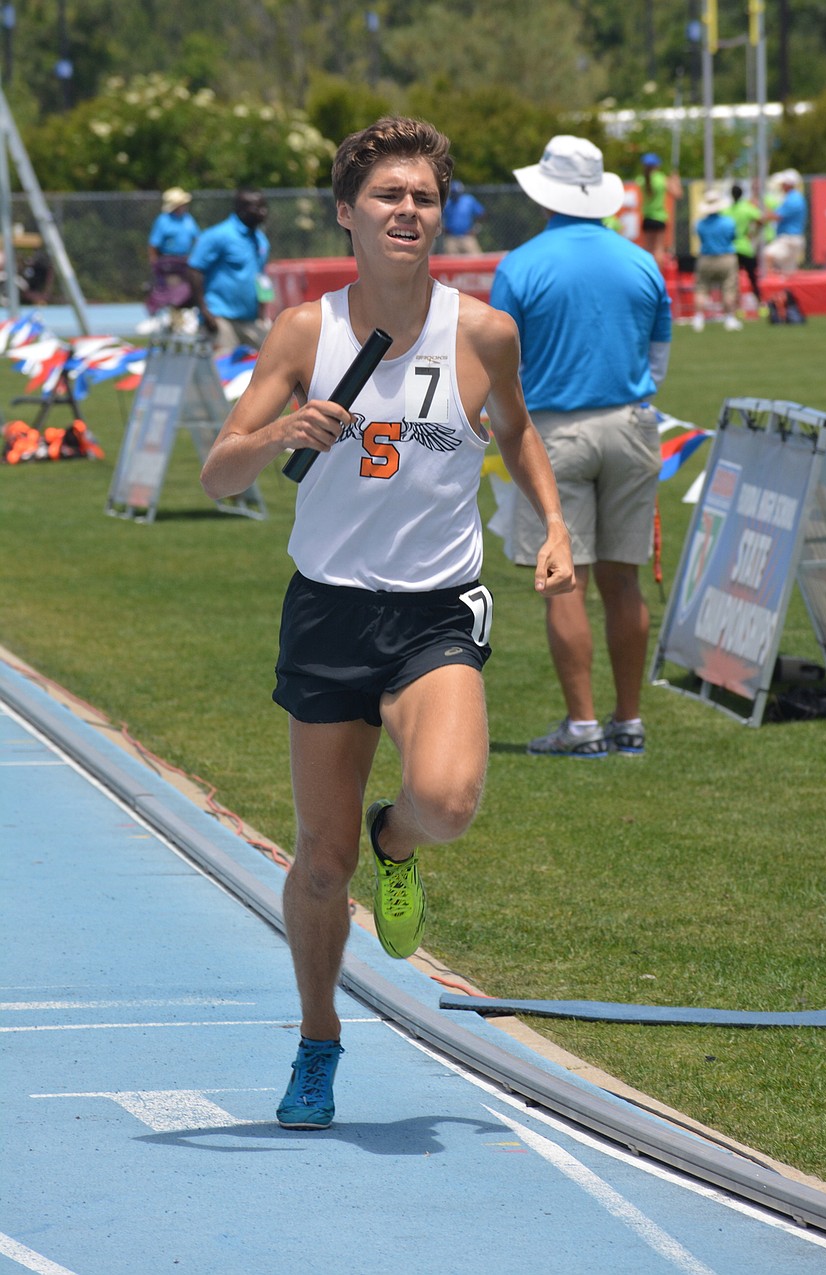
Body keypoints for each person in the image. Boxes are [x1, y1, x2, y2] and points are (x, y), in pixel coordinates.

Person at [199, 117, 575, 1128]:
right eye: (386, 196)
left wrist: (551, 524)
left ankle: (395, 840)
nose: (406, 210)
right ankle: (318, 1039)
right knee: (321, 865)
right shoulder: (302, 335)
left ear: (438, 213)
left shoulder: (483, 331)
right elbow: (218, 469)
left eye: (421, 196)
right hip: (327, 609)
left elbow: (518, 428)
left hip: (433, 610)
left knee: (446, 801)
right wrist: (279, 428)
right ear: (346, 215)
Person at [490, 135, 671, 759]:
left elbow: (498, 363)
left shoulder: (521, 265)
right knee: (624, 581)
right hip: (631, 424)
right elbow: (658, 358)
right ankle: (629, 721)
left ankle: (584, 725)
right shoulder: (641, 260)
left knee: (565, 580)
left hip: (552, 433)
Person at [188, 188, 272, 353]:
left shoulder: (260, 240)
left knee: (270, 361)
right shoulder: (218, 235)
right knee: (223, 372)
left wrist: (263, 310)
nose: (263, 212)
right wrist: (205, 312)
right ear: (240, 209)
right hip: (220, 317)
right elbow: (194, 270)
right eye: (256, 208)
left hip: (250, 319)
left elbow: (261, 277)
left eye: (264, 207)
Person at [692, 188, 742, 332]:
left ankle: (698, 318)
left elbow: (700, 238)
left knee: (701, 288)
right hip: (726, 257)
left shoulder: (700, 224)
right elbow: (733, 237)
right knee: (729, 288)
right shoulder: (728, 222)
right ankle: (730, 318)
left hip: (706, 258)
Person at [146, 186, 200, 317]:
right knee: (172, 291)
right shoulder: (163, 220)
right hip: (169, 263)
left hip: (186, 261)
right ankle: (169, 316)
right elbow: (153, 244)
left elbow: (197, 238)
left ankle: (185, 317)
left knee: (190, 289)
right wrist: (154, 263)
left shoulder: (188, 219)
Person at [637, 152, 681, 267]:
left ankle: (646, 272)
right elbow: (677, 194)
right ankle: (658, 274)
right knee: (659, 249)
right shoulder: (662, 179)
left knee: (647, 248)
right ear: (657, 165)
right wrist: (676, 180)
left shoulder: (641, 180)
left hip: (647, 217)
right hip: (659, 217)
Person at [727, 183, 764, 309]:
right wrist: (752, 233)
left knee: (733, 280)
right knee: (752, 277)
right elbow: (761, 219)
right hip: (745, 248)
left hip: (731, 248)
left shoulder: (728, 210)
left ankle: (736, 307)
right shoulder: (747, 208)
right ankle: (760, 304)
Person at [763, 170, 807, 274]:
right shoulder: (793, 198)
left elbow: (777, 216)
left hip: (789, 238)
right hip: (790, 238)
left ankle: (768, 286)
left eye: (783, 184)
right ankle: (784, 289)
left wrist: (762, 210)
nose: (781, 186)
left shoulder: (793, 199)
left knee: (767, 255)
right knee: (787, 273)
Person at [442, 180, 485, 254]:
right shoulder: (447, 203)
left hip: (467, 237)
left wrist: (476, 228)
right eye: (453, 193)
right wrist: (443, 228)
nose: (455, 195)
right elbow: (437, 217)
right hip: (451, 238)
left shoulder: (468, 200)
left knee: (477, 259)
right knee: (450, 262)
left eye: (457, 193)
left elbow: (482, 214)